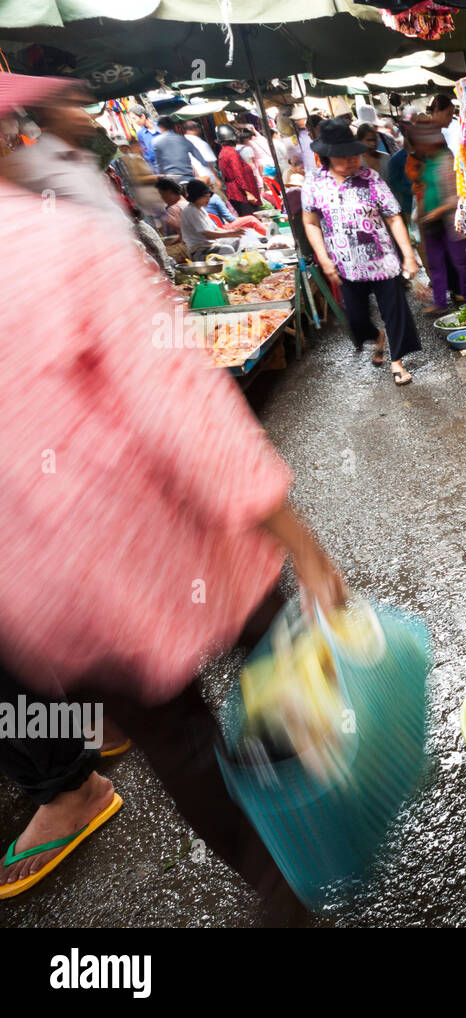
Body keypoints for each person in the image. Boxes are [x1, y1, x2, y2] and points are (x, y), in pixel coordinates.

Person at [0, 170, 346, 919]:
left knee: (182, 747)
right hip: (172, 535)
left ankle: (277, 885)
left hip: (56, 595)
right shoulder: (57, 241)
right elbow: (179, 404)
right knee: (279, 668)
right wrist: (296, 536)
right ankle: (317, 830)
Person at [300, 117, 422, 386]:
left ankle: (397, 361)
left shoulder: (371, 178)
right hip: (344, 263)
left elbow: (392, 217)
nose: (352, 161)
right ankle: (377, 337)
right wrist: (323, 258)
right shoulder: (314, 183)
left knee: (395, 311)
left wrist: (409, 255)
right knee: (355, 318)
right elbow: (310, 223)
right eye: (343, 157)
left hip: (382, 260)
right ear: (327, 156)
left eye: (354, 154)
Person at [0, 78, 131, 232]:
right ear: (52, 111)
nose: (82, 115)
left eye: (81, 106)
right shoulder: (25, 164)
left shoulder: (83, 159)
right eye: (72, 105)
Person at [413, 99, 466, 314]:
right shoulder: (426, 162)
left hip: (450, 221)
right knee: (436, 263)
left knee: (460, 262)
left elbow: (455, 196)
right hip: (432, 223)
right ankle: (440, 302)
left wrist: (437, 212)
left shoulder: (445, 158)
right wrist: (421, 215)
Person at [179, 179, 243, 257]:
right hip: (198, 250)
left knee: (237, 240)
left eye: (209, 197)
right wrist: (231, 233)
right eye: (205, 197)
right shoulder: (190, 211)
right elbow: (208, 234)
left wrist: (234, 233)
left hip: (211, 244)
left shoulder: (200, 209)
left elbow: (215, 229)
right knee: (227, 249)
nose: (208, 200)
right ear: (196, 197)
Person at [215, 123, 262, 216]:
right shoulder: (231, 154)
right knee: (251, 219)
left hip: (235, 193)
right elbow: (238, 174)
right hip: (241, 195)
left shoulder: (224, 152)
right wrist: (248, 193)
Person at [151, 115, 202, 182]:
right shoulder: (183, 140)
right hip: (188, 177)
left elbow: (159, 164)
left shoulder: (156, 141)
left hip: (172, 181)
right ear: (173, 126)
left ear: (160, 127)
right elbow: (200, 158)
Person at [127, 103, 161, 172]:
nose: (134, 122)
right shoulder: (140, 134)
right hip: (158, 172)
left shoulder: (161, 126)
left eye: (134, 119)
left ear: (142, 116)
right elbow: (146, 156)